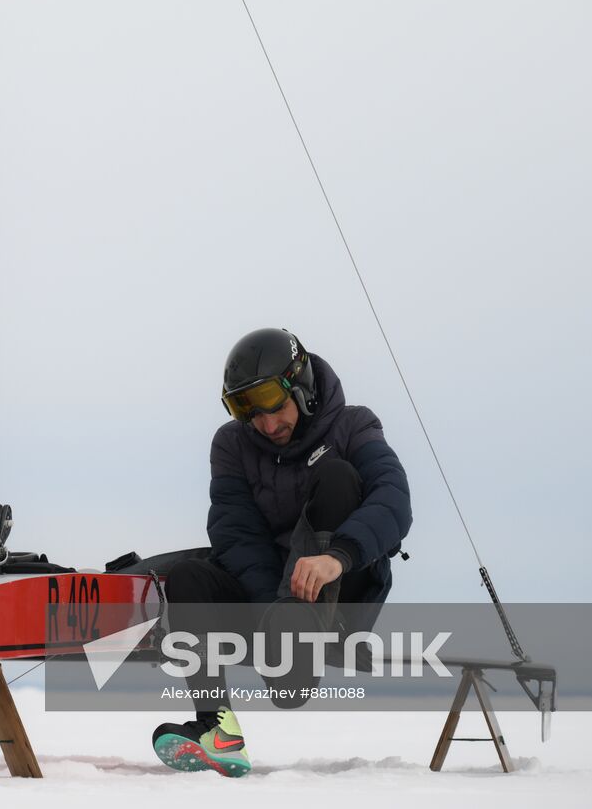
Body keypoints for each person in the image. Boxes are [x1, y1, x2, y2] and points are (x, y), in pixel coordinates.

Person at [152, 327, 411, 777]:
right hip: (271, 605)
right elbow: (237, 535)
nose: (269, 426)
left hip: (337, 601)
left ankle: (303, 625)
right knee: (190, 576)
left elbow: (394, 499)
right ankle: (218, 732)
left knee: (336, 476)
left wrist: (338, 557)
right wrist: (271, 613)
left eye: (277, 407)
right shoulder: (231, 445)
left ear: (303, 387)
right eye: (252, 415)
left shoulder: (355, 425)